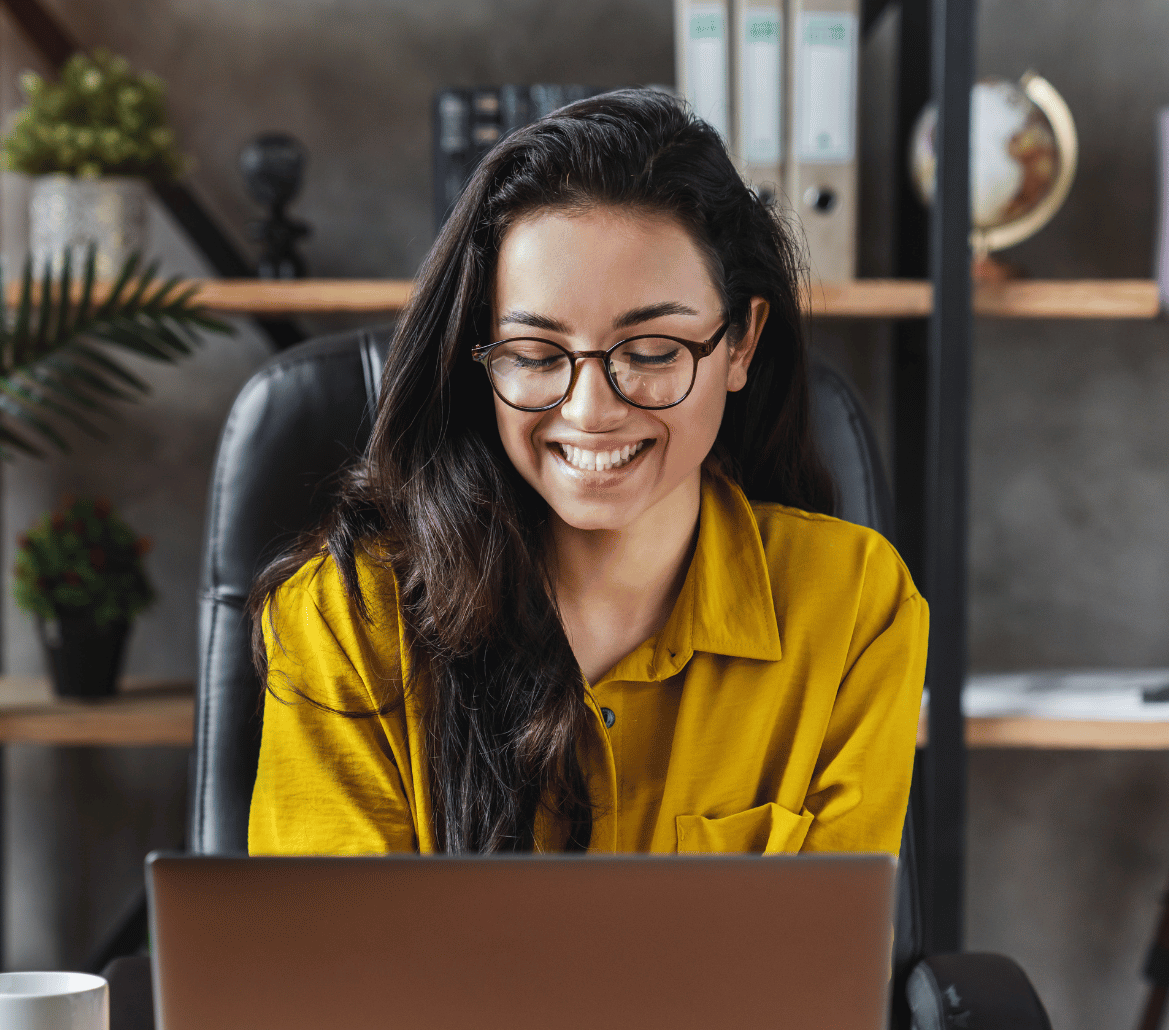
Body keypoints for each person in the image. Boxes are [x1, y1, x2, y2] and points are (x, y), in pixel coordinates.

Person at [247, 88, 927, 855]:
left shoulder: (854, 606)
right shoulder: (348, 619)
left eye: (651, 352)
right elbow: (333, 967)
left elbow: (826, 963)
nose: (591, 410)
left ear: (739, 343)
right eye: (537, 357)